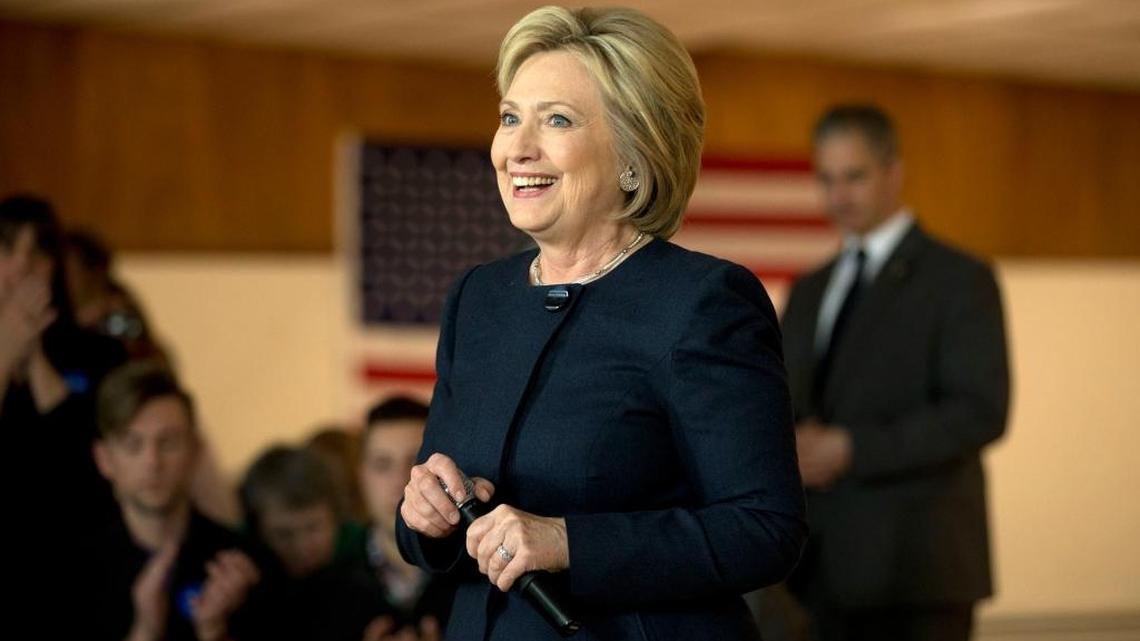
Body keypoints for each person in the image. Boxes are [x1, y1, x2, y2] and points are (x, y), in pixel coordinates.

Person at [396, 7, 806, 641]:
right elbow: (436, 512)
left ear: (634, 156)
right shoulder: (478, 298)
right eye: (510, 117)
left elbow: (763, 530)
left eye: (556, 119)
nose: (517, 148)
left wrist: (570, 542)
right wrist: (424, 517)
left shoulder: (703, 301)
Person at [780, 104, 1010, 641]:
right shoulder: (811, 288)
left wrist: (851, 448)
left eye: (854, 176)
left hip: (918, 573)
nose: (839, 196)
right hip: (815, 573)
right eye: (827, 179)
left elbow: (979, 411)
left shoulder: (960, 280)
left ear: (894, 172)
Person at [85, 361, 260, 641]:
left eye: (168, 443)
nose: (152, 462)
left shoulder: (243, 567)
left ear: (195, 451)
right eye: (133, 444)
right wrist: (146, 629)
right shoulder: (73, 570)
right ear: (104, 459)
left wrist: (214, 632)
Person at [240, 444, 394, 641]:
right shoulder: (243, 586)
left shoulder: (369, 563)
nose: (302, 546)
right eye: (284, 534)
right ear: (258, 531)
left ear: (336, 517)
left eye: (313, 528)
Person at [357, 396, 452, 639]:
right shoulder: (325, 591)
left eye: (415, 463)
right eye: (382, 464)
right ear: (361, 476)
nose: (400, 482)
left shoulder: (476, 579)